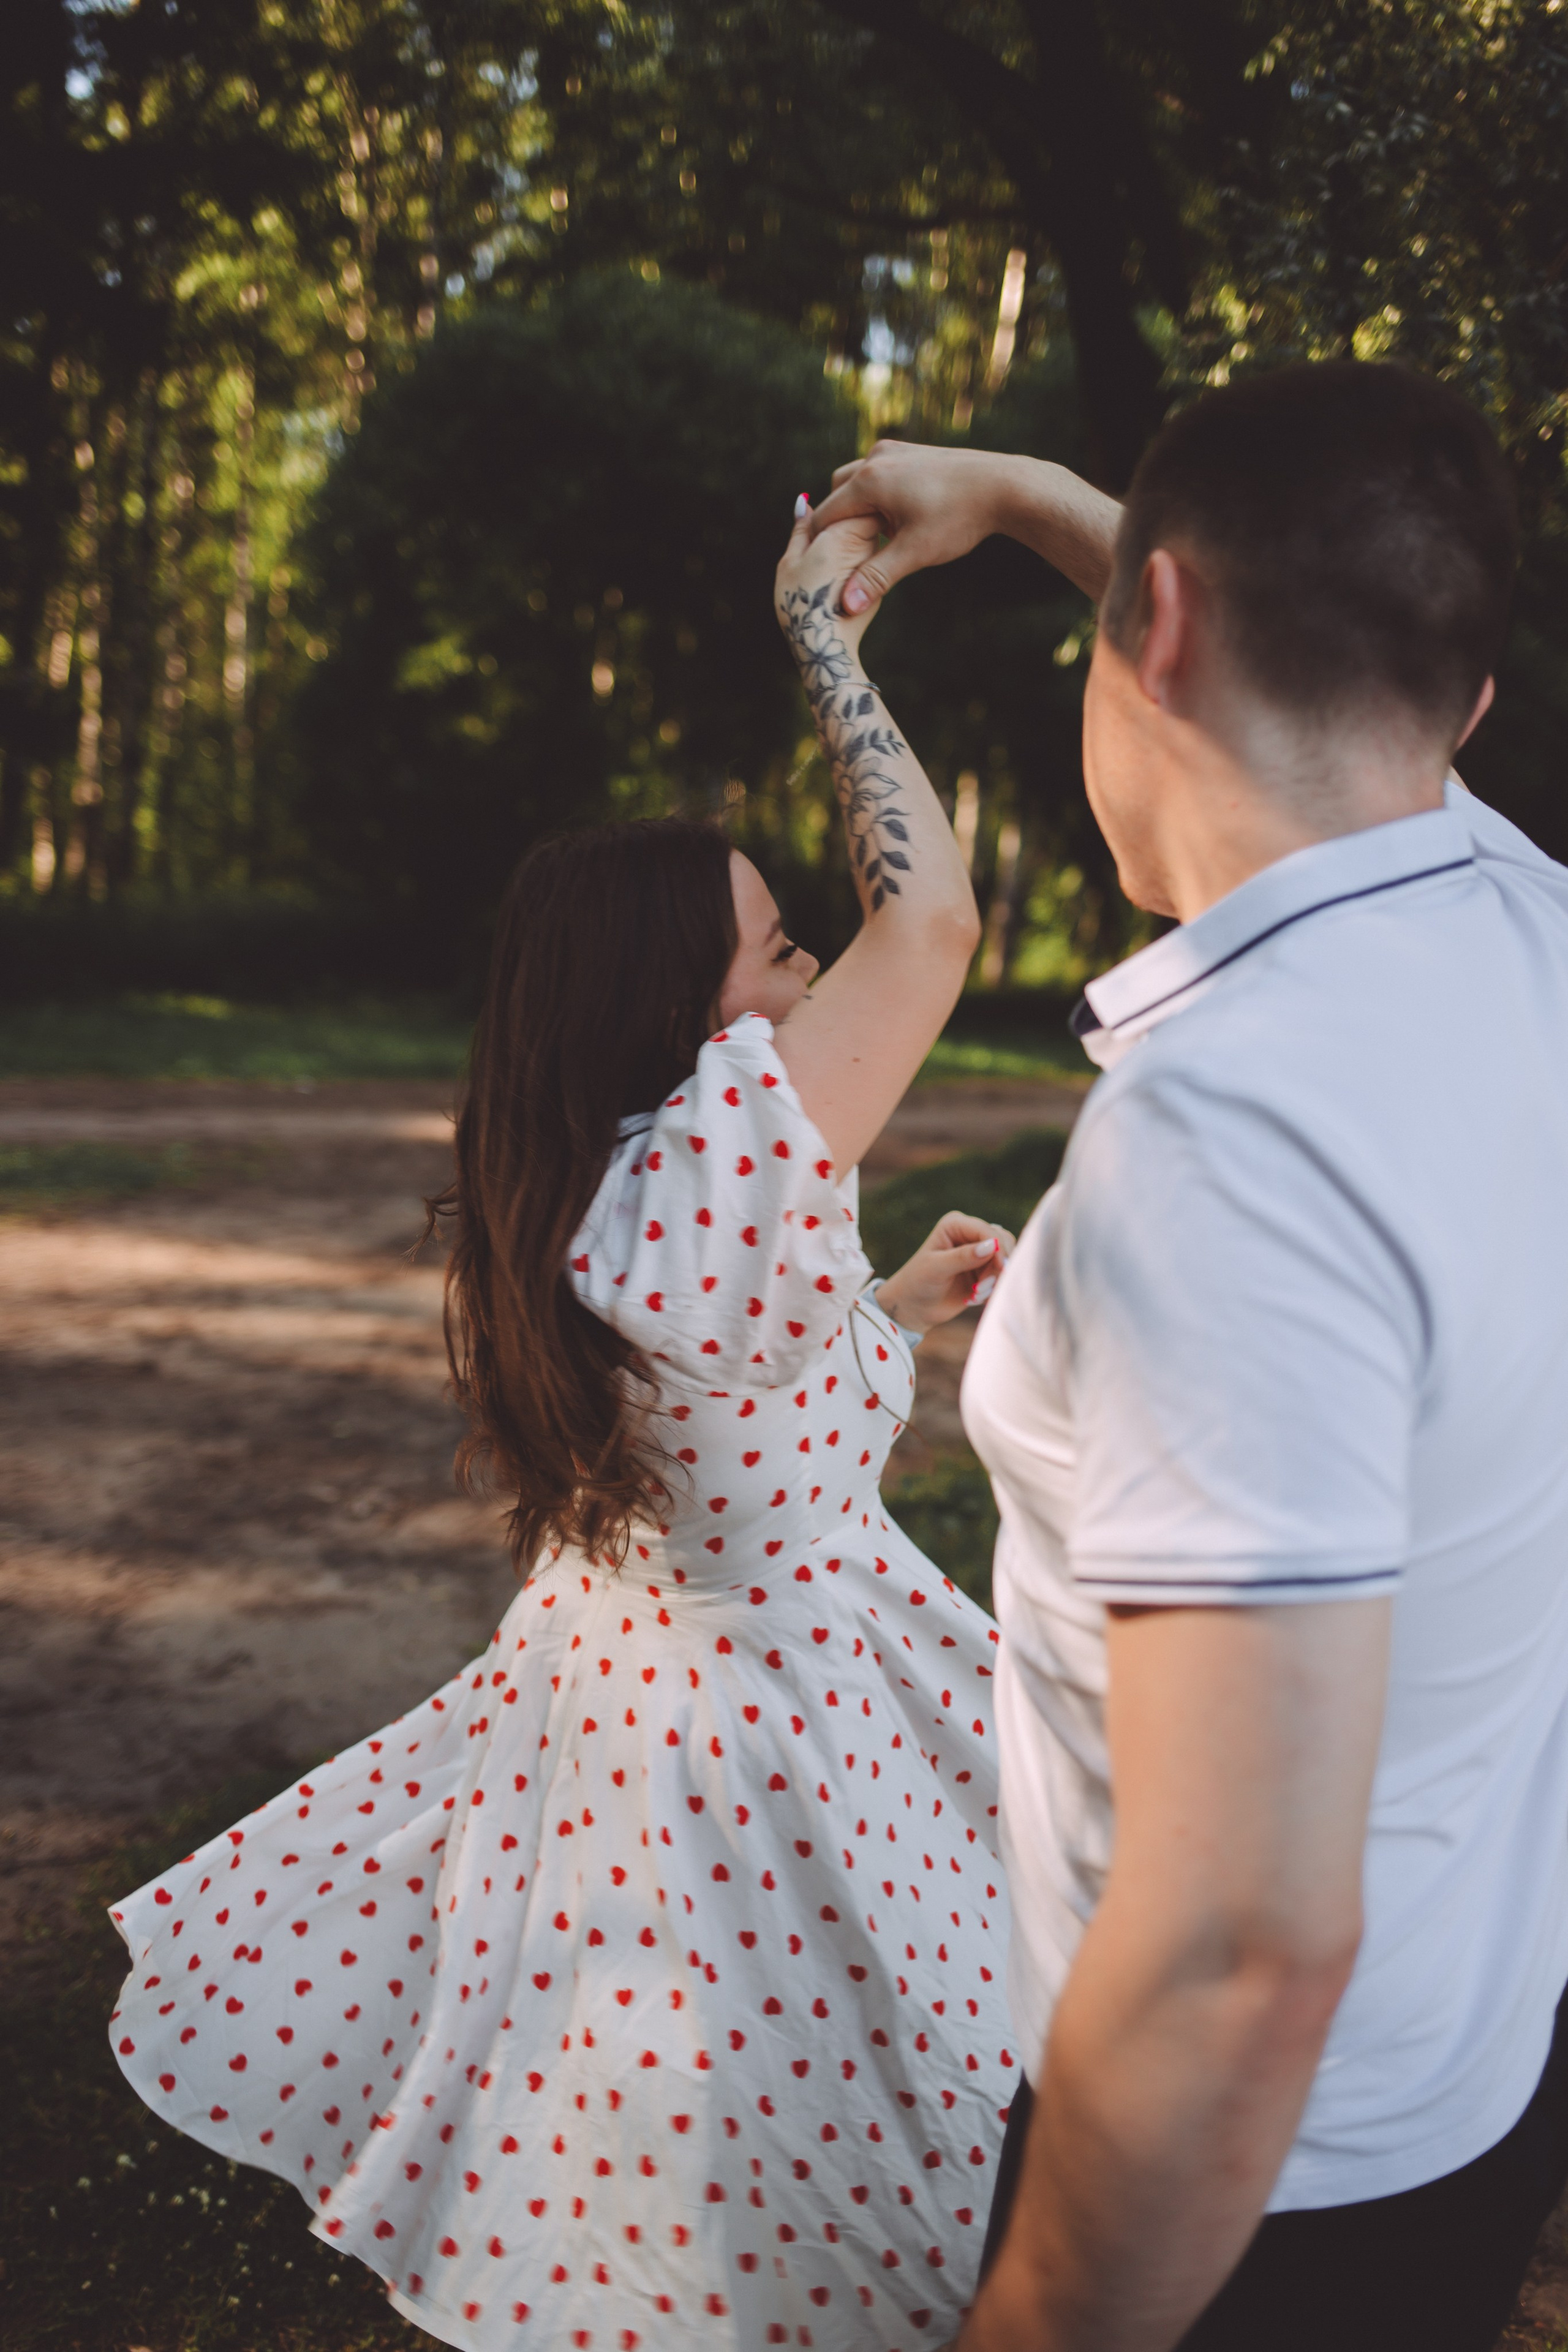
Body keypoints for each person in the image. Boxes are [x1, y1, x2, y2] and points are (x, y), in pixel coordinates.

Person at [106, 505, 1023, 2351]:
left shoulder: (608, 1194)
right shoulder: (714, 1170)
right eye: (772, 955)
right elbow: (933, 914)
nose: (804, 982)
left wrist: (885, 1309)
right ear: (671, 1010)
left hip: (644, 1727)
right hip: (779, 1769)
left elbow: (725, 1409)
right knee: (927, 2164)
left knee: (746, 2192)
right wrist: (826, 640)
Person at [810, 361, 1568, 2351]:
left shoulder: (1236, 1142)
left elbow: (1241, 1945)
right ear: (1469, 710)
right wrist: (1057, 500)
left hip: (1236, 2193)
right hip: (1473, 2086)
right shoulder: (1522, 924)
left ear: (1153, 623)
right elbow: (1348, 704)